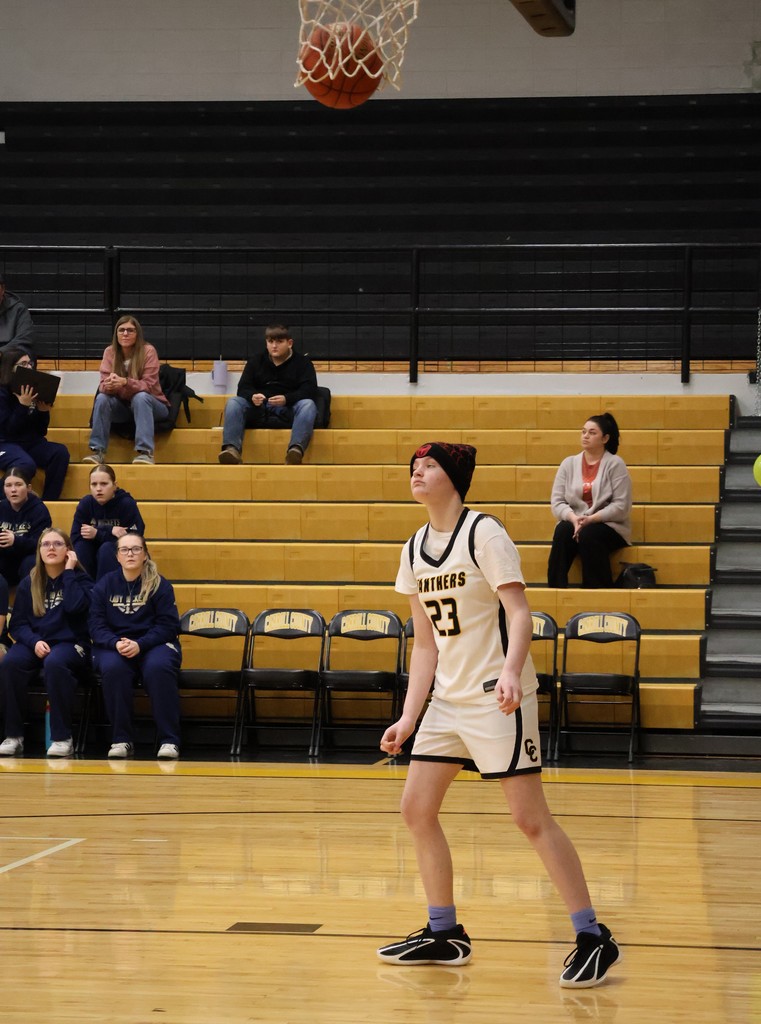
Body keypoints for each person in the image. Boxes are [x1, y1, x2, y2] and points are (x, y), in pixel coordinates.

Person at [376, 441, 620, 988]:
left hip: (496, 695)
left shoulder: (484, 532)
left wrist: (512, 671)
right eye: (414, 467)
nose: (418, 472)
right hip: (446, 699)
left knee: (529, 818)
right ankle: (445, 933)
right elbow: (424, 645)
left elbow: (519, 609)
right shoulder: (414, 547)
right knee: (415, 809)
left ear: (455, 478)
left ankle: (592, 935)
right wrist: (409, 717)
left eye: (430, 465)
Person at [0, 528, 93, 758]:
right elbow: (17, 625)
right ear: (39, 551)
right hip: (37, 643)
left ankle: (62, 738)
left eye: (57, 544)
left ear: (68, 551)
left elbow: (75, 607)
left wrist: (69, 572)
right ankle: (13, 735)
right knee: (10, 663)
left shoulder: (82, 580)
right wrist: (34, 642)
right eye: (45, 544)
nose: (51, 548)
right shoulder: (29, 582)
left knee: (55, 663)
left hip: (72, 643)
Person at [89, 531, 181, 760]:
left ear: (145, 555)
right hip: (115, 645)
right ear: (117, 556)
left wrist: (141, 644)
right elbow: (95, 625)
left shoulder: (160, 584)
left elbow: (168, 626)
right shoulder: (104, 585)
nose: (130, 553)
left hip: (154, 643)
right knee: (114, 668)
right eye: (124, 550)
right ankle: (121, 739)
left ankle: (169, 740)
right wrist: (114, 642)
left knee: (158, 668)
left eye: (136, 549)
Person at [547, 412, 632, 588]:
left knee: (590, 534)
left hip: (608, 525)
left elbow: (621, 506)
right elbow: (557, 502)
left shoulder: (616, 464)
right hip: (575, 521)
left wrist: (591, 519)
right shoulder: (568, 463)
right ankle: (555, 589)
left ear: (605, 438)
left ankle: (596, 591)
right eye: (583, 431)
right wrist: (573, 518)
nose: (585, 436)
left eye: (592, 433)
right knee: (562, 530)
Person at [218, 324, 318, 466]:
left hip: (288, 409)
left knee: (308, 404)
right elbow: (243, 388)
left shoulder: (303, 363)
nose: (274, 346)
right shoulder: (256, 360)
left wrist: (287, 399)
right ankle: (231, 450)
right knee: (234, 402)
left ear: (290, 343)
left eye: (279, 341)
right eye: (270, 342)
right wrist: (252, 396)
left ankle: (295, 450)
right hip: (259, 408)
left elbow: (309, 390)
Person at [84, 315, 170, 467]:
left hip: (153, 405)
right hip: (124, 407)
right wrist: (109, 385)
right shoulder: (109, 352)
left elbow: (149, 385)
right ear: (116, 334)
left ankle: (145, 452)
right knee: (102, 398)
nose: (125, 334)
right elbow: (102, 385)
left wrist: (125, 382)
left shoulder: (148, 351)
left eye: (130, 330)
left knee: (140, 397)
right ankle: (98, 451)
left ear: (138, 334)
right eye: (121, 330)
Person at [0, 347, 70, 500]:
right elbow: (9, 430)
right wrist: (22, 406)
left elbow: (40, 431)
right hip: (5, 443)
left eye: (30, 363)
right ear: (10, 368)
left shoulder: (33, 391)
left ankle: (49, 502)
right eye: (23, 364)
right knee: (25, 464)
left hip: (30, 443)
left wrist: (43, 411)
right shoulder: (2, 393)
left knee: (59, 453)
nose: (29, 367)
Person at [71, 464, 145, 580]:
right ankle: (84, 589)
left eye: (104, 484)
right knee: (81, 547)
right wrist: (110, 530)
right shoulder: (86, 504)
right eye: (94, 484)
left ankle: (105, 591)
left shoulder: (126, 504)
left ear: (115, 485)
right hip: (92, 552)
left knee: (106, 549)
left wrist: (98, 533)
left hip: (118, 554)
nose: (98, 489)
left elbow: (135, 538)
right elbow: (75, 537)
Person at [0, 467, 52, 589]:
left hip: (29, 558)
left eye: (18, 485)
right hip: (5, 560)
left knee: (30, 562)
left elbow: (41, 544)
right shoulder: (1, 507)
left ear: (28, 488)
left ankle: (27, 604)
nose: (13, 490)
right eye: (8, 485)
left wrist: (15, 541)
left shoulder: (39, 510)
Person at [0, 273, 34, 356]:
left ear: (3, 289)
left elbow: (24, 338)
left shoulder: (18, 309)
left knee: (25, 353)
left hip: (8, 357)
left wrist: (1, 352)